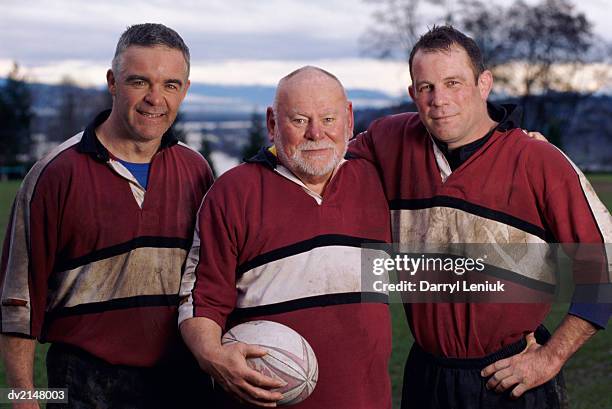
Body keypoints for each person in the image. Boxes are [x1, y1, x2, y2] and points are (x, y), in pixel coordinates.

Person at [349, 25, 611, 409]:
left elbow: (602, 263)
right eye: (426, 87)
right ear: (412, 94)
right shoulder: (389, 142)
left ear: (483, 84)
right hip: (428, 374)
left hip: (512, 376)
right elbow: (321, 159)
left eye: (453, 82)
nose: (439, 100)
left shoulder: (537, 160)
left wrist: (550, 358)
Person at [0, 23, 215, 408]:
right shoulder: (55, 175)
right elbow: (18, 301)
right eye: (139, 82)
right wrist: (22, 399)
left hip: (182, 382)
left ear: (184, 89)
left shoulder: (197, 171)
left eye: (170, 84)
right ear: (113, 82)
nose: (155, 99)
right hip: (82, 385)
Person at [179, 66, 393, 408]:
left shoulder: (376, 181)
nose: (315, 134)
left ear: (349, 119)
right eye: (298, 120)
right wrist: (212, 356)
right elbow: (202, 299)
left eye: (328, 118)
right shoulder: (234, 193)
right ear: (272, 123)